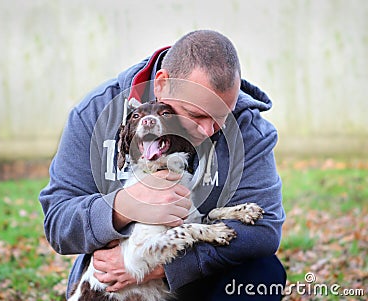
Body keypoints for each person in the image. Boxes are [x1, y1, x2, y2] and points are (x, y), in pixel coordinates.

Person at [39, 29, 286, 300]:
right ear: (161, 84)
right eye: (196, 115)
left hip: (202, 284)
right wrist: (122, 206)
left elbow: (265, 229)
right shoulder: (94, 114)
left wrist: (161, 266)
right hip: (115, 290)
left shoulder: (249, 129)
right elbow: (58, 224)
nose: (208, 130)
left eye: (221, 118)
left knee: (263, 274)